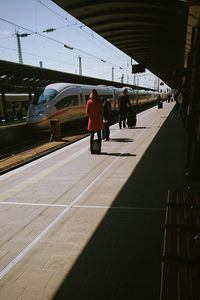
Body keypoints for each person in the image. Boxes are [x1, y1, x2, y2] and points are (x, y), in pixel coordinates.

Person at [86, 89, 103, 154]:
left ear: (91, 94)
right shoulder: (99, 101)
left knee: (92, 135)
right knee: (99, 135)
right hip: (98, 120)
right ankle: (99, 149)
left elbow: (87, 112)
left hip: (92, 120)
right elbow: (102, 111)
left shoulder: (89, 102)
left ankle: (92, 150)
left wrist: (91, 115)